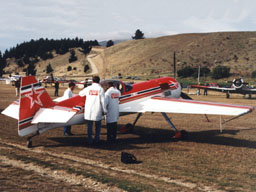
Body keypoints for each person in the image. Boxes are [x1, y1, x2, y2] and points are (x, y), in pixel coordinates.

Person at [79, 76, 106, 145]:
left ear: (92, 81)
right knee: (98, 126)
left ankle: (90, 140)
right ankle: (97, 139)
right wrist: (104, 110)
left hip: (89, 110)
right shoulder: (100, 89)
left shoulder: (88, 88)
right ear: (99, 81)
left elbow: (80, 94)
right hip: (97, 110)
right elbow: (103, 101)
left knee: (89, 126)